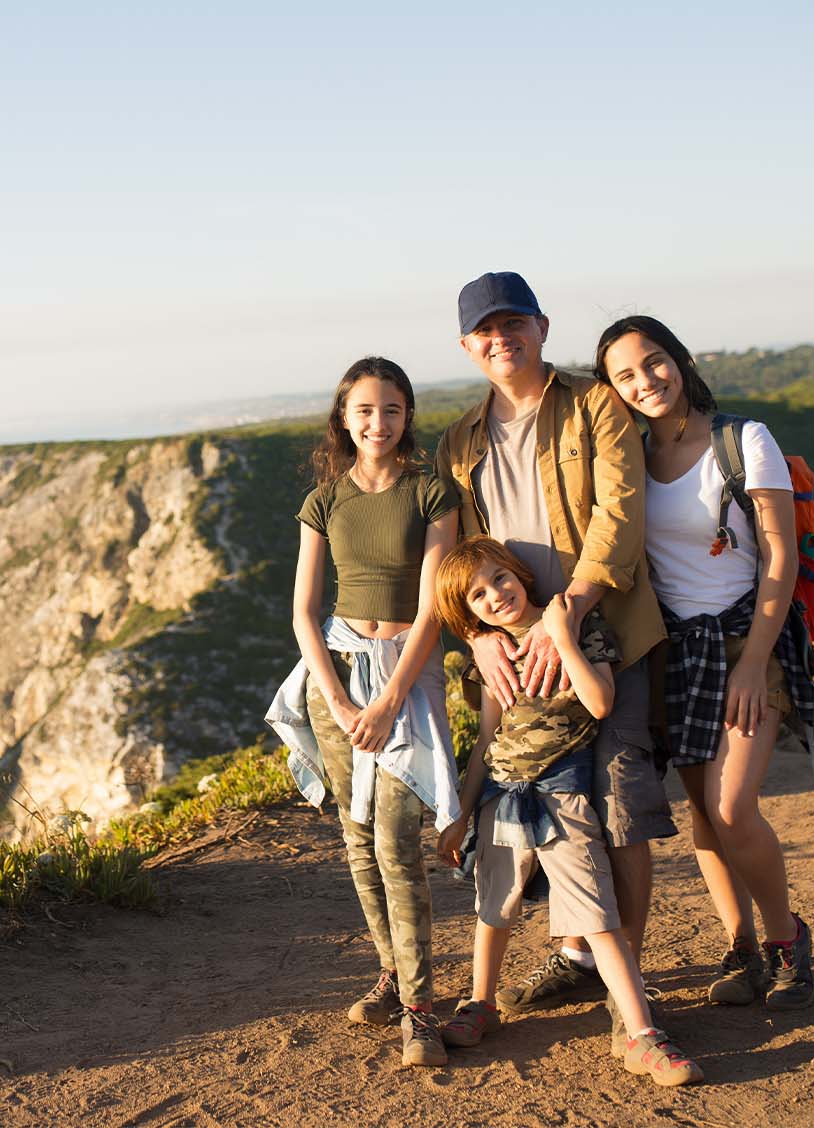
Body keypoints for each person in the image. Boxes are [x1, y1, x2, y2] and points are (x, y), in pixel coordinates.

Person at [433, 273, 675, 1035]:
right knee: (540, 809)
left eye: (513, 323)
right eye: (485, 330)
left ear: (541, 327)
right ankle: (579, 956)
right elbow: (459, 558)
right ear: (468, 346)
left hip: (605, 637)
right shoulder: (458, 441)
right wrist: (479, 637)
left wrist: (563, 615)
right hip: (513, 654)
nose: (500, 338)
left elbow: (620, 513)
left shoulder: (594, 404)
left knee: (619, 808)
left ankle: (625, 985)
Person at [595, 315, 814, 1009]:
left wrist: (753, 663)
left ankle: (786, 941)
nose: (645, 381)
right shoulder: (628, 458)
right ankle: (741, 947)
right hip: (674, 651)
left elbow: (781, 555)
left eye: (654, 361)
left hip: (748, 640)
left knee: (732, 806)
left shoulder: (742, 440)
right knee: (705, 818)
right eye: (625, 375)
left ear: (679, 360)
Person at [432, 536, 703, 1086]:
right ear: (469, 614)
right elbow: (487, 740)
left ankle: (642, 1034)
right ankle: (481, 1003)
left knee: (595, 913)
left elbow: (600, 702)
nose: (495, 595)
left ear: (519, 572)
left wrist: (560, 635)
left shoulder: (577, 625)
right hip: (501, 792)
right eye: (478, 595)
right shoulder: (492, 652)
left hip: (563, 792)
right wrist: (460, 814)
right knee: (495, 907)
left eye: (499, 578)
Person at [265, 357, 461, 1068]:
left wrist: (388, 699)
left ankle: (421, 1010)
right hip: (340, 677)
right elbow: (303, 612)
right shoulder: (324, 501)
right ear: (344, 419)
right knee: (356, 837)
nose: (380, 423)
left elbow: (433, 607)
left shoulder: (432, 492)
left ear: (408, 417)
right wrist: (342, 699)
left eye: (393, 410)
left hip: (405, 674)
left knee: (396, 843)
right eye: (366, 410)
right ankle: (391, 974)